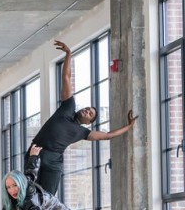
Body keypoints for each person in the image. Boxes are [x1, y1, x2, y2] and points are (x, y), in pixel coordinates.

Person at [28, 40, 137, 196]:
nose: (87, 111)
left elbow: (108, 136)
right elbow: (66, 78)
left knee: (48, 198)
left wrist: (129, 126)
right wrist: (68, 54)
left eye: (90, 114)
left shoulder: (82, 132)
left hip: (54, 161)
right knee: (28, 192)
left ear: (89, 123)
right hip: (37, 151)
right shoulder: (67, 108)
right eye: (87, 109)